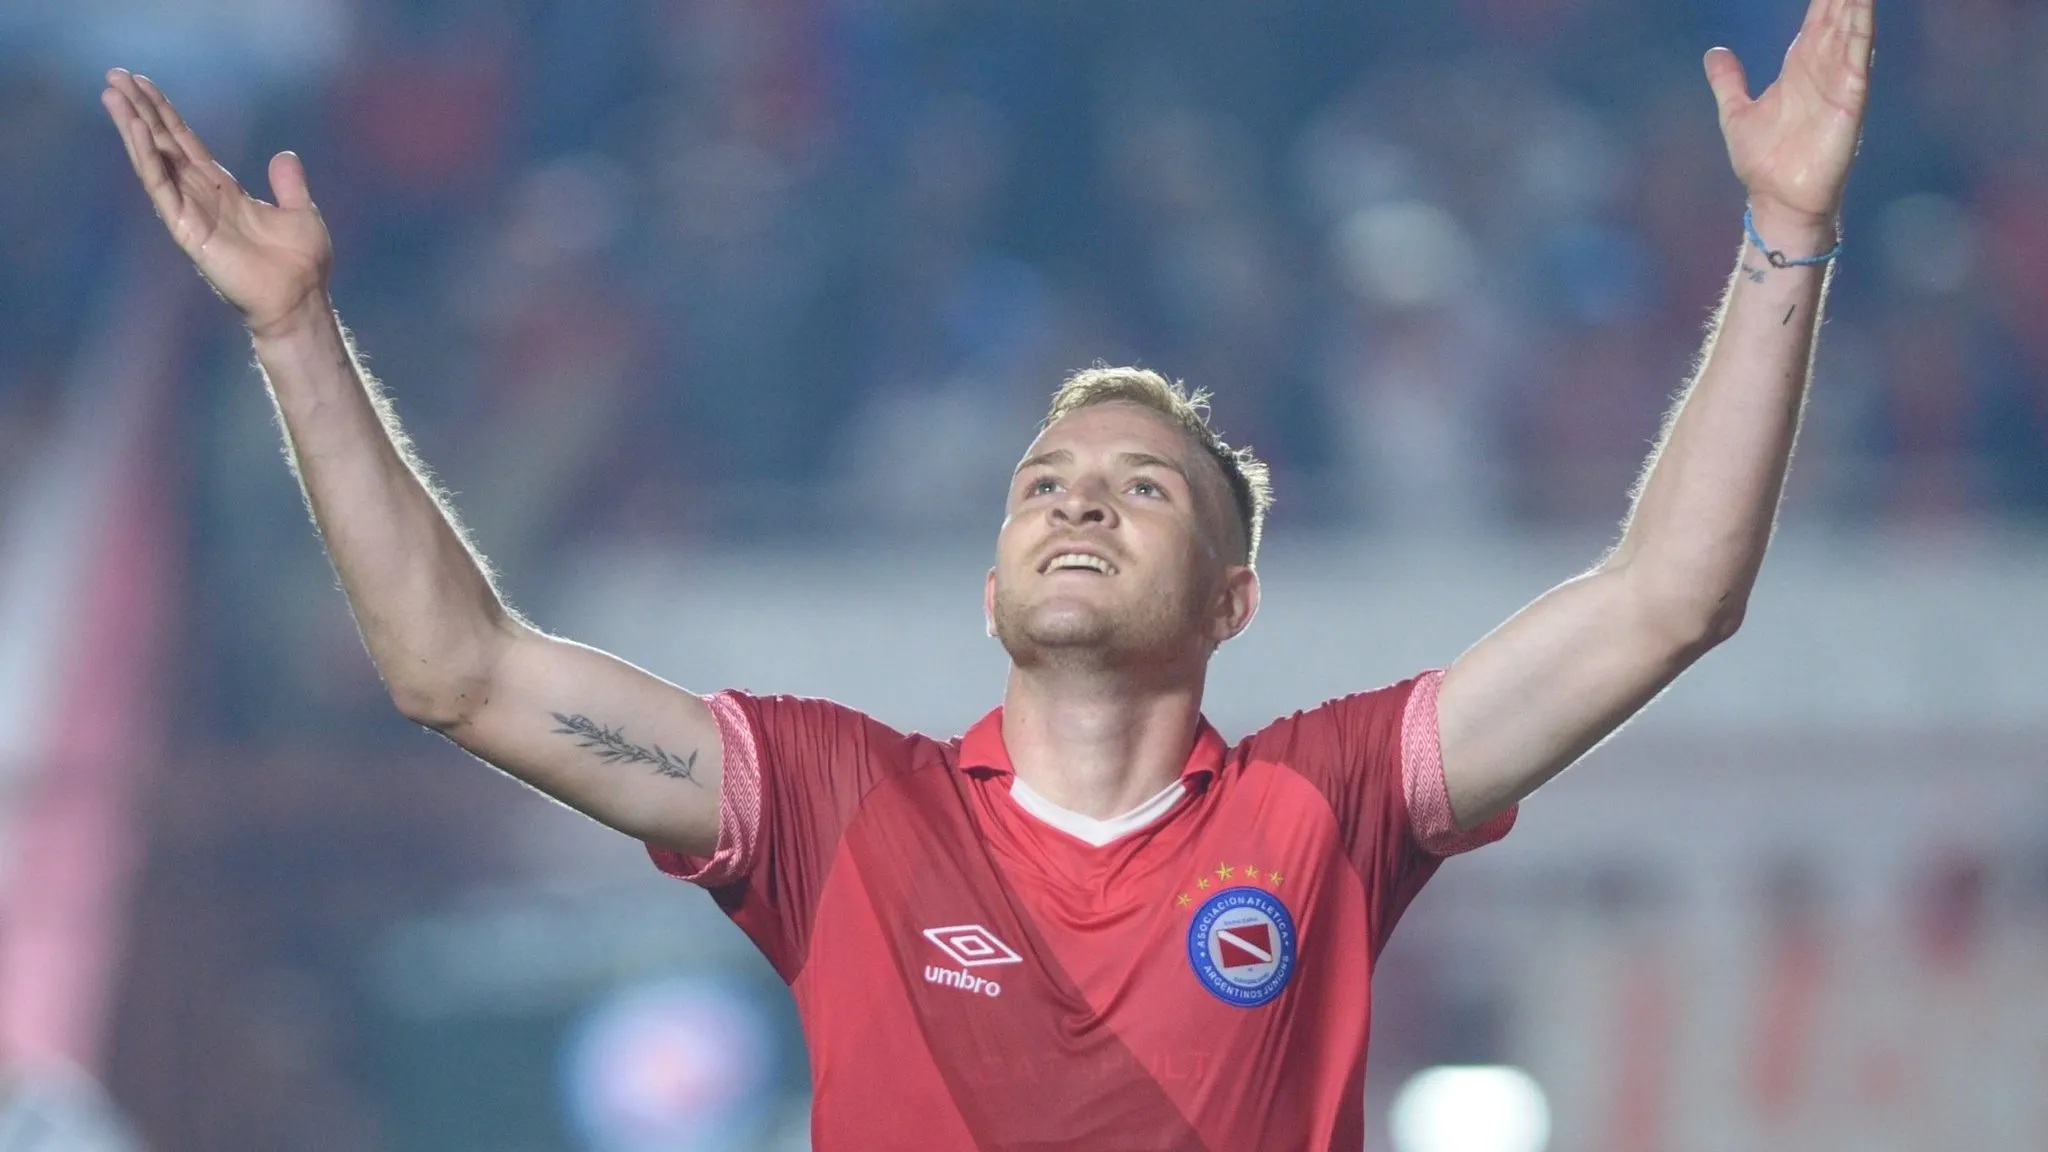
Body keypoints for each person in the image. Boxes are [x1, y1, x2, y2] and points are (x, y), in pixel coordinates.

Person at [102, 0, 1873, 1145]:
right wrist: (296, 332)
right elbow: (459, 674)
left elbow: (1670, 595)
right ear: (991, 577)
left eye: (1141, 490)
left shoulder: (1329, 808)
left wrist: (1785, 230)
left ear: (1232, 601)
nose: (1077, 505)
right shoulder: (833, 805)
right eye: (1045, 481)